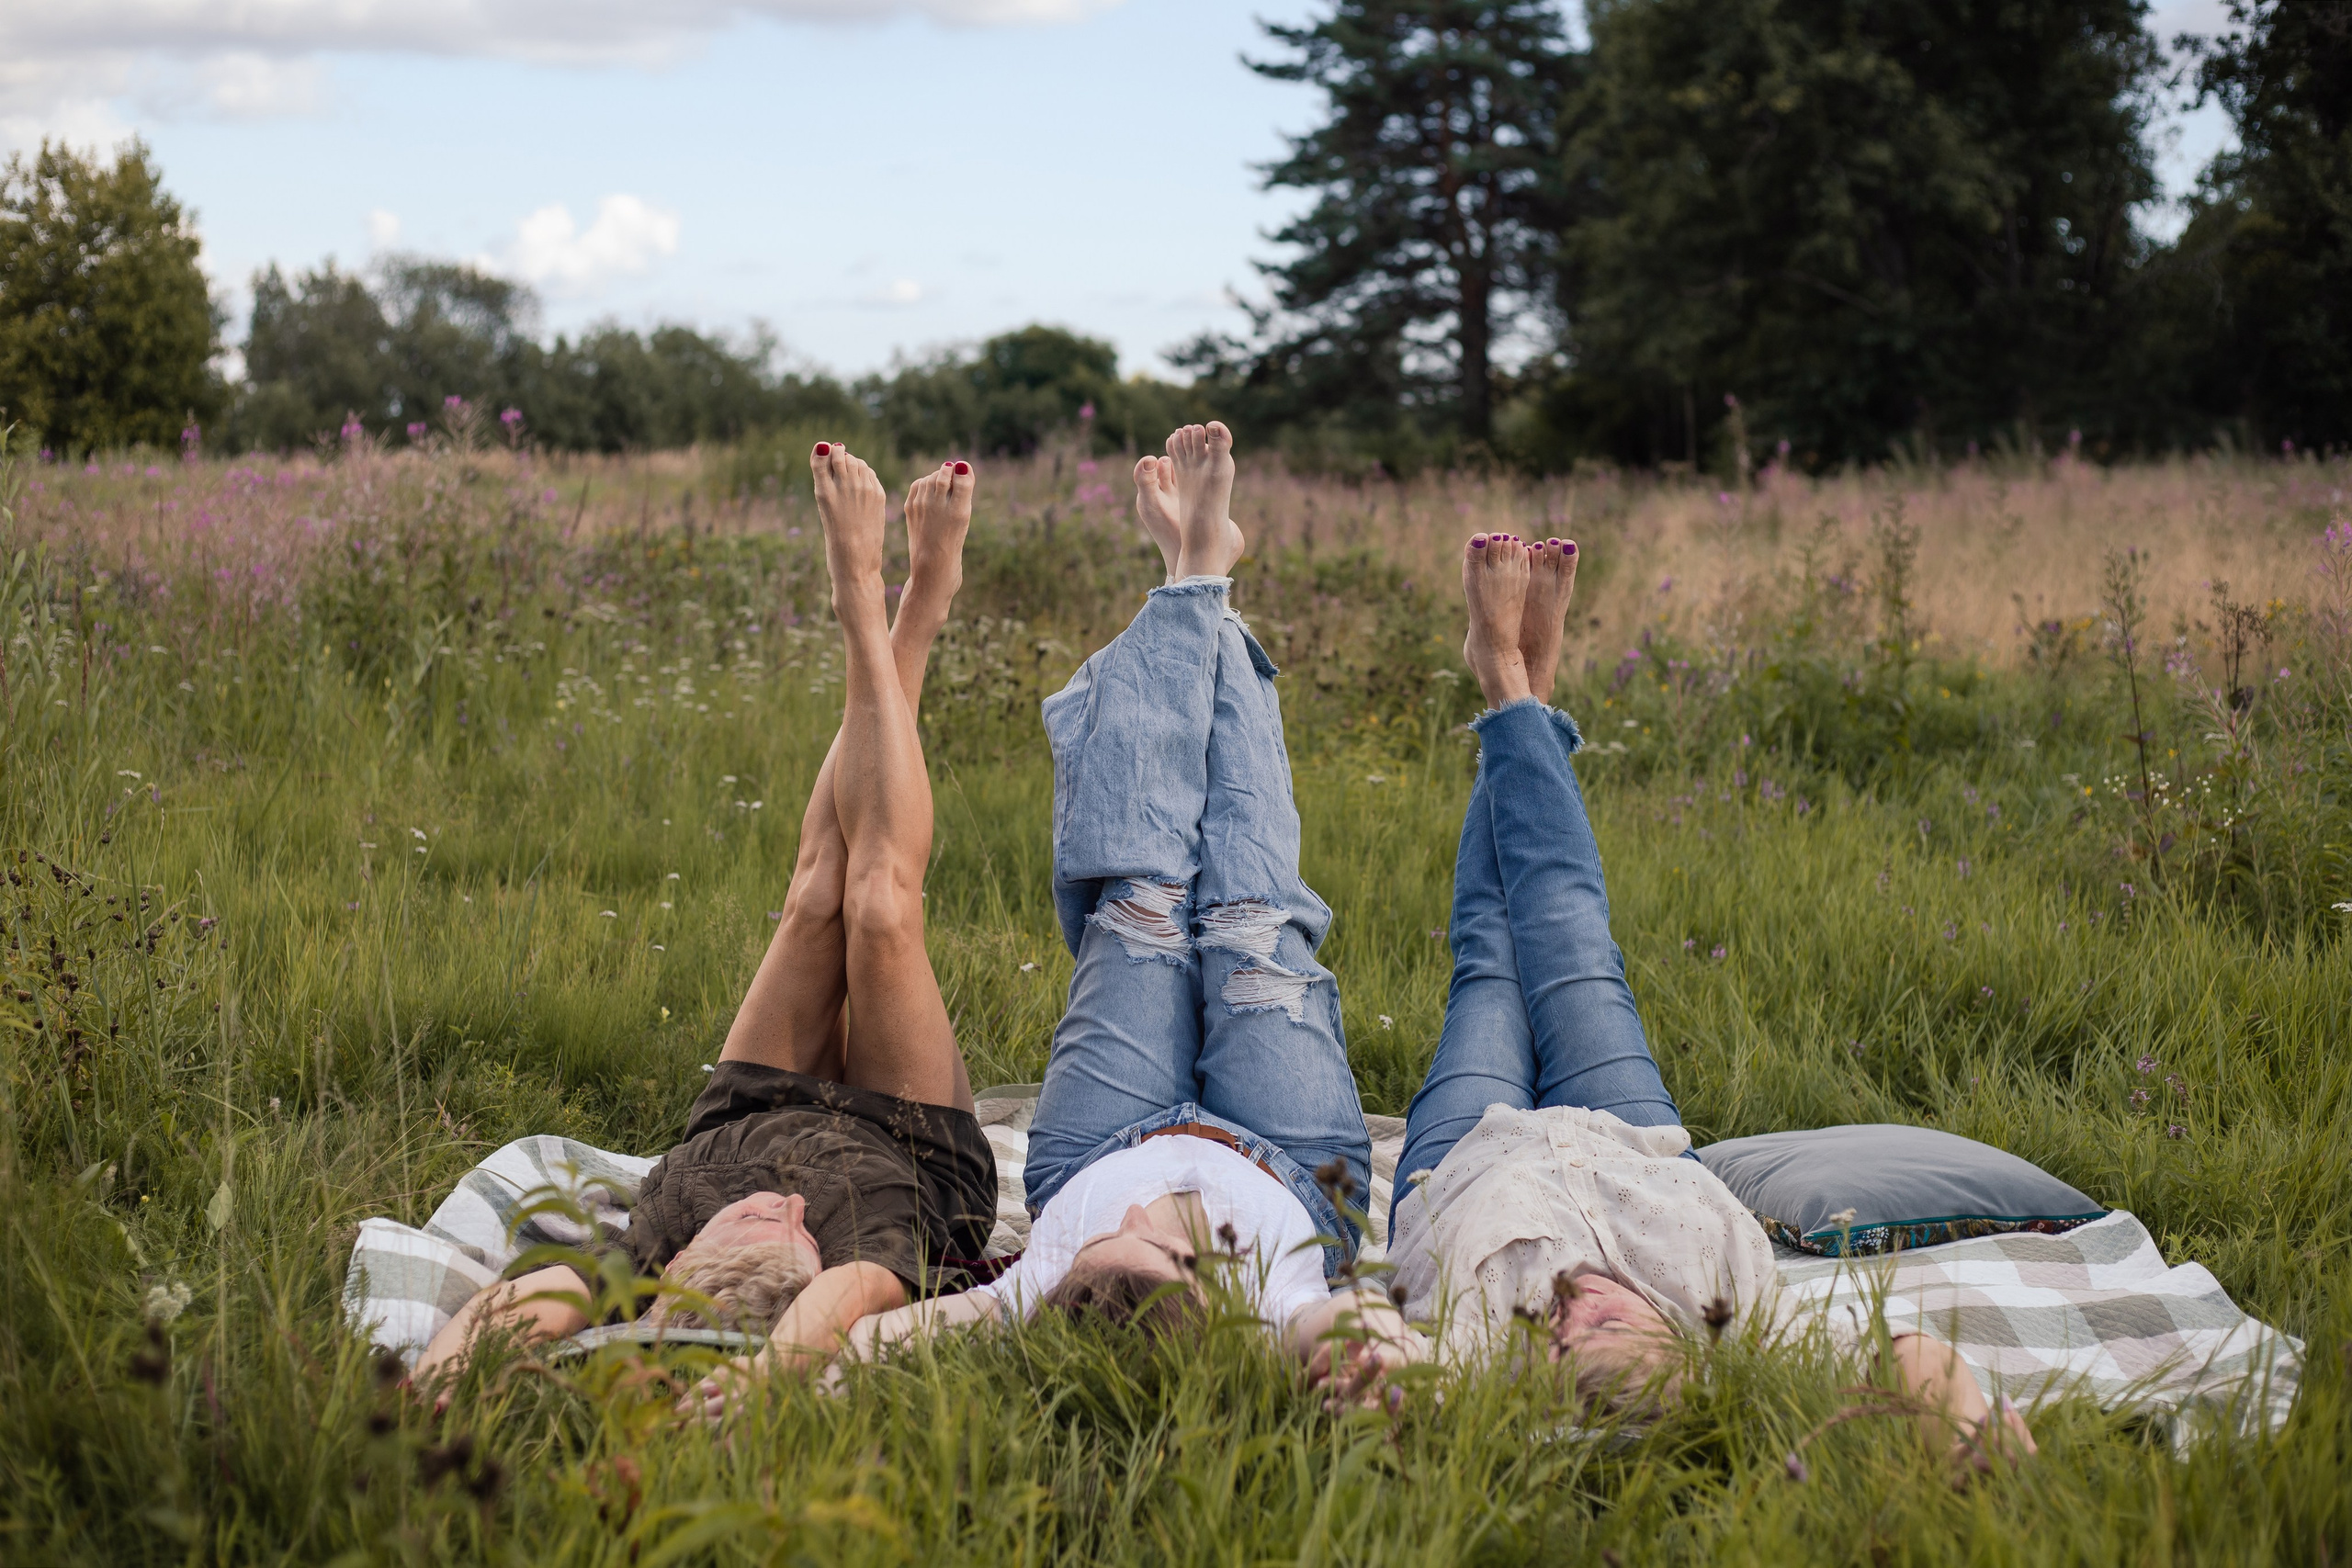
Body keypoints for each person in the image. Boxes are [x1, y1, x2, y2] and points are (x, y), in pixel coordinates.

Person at [1385, 530, 2037, 1470]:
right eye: (1614, 1337)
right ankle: (1521, 691)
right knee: (1568, 930)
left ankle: (1513, 689)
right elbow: (1909, 1357)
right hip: (1632, 1137)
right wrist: (1969, 1437)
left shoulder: (1472, 1356)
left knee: (1490, 955)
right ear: (1691, 1359)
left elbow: (1355, 1354)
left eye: (1560, 1353)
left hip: (1464, 1159)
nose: (1574, 1323)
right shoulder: (1747, 1332)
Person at [827, 423, 1415, 1395]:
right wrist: (1377, 1371)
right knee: (1247, 913)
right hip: (1296, 1169)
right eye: (1151, 1242)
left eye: (1105, 1242)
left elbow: (880, 1344)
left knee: (1141, 899)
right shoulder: (1280, 1314)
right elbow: (1366, 1334)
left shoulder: (1053, 1281)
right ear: (1218, 1291)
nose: (1138, 1216)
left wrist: (775, 1380)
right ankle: (1199, 580)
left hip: (1101, 1139)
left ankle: (1197, 576)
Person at [413, 447, 999, 1390]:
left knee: (816, 890)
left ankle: (890, 615)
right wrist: (766, 1377)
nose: (792, 1209)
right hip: (913, 1142)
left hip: (750, 1108)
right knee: (880, 904)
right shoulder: (858, 1252)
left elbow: (528, 1305)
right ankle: (896, 610)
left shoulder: (645, 1256)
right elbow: (844, 1304)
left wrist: (433, 1388)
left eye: (761, 1225)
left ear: (678, 1273)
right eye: (802, 1238)